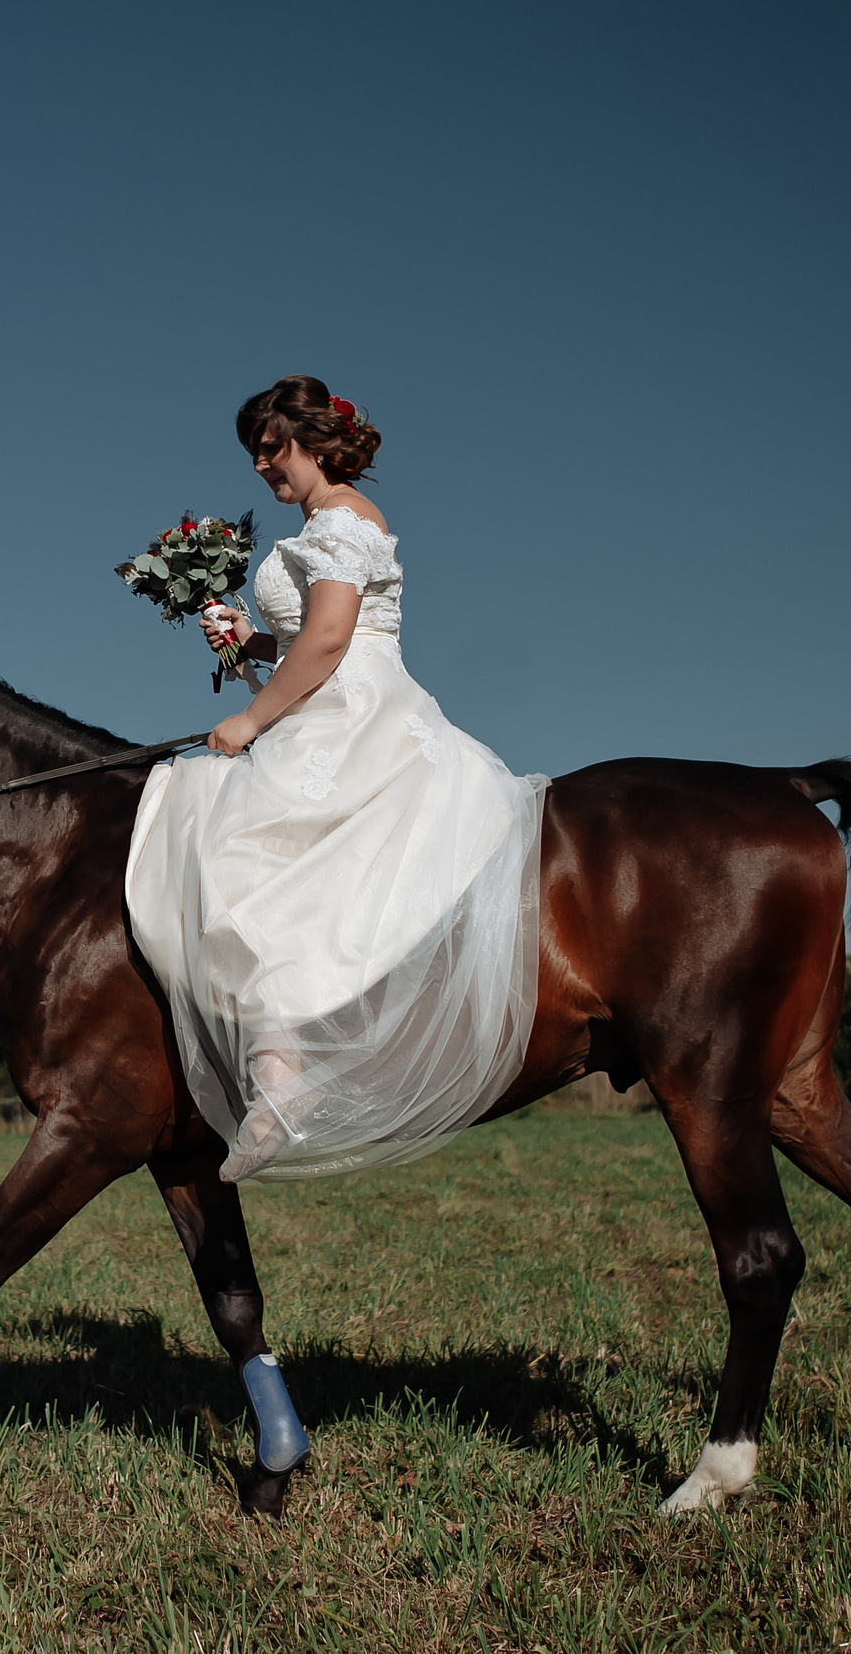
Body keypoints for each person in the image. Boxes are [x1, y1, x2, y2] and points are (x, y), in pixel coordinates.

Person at [124, 377, 549, 1183]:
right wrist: (248, 640)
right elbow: (301, 643)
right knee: (227, 833)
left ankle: (285, 1068)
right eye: (252, 450)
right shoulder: (321, 526)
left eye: (271, 445)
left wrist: (249, 721)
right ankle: (278, 1056)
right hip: (328, 695)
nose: (259, 464)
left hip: (354, 707)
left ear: (314, 441)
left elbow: (327, 640)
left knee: (233, 835)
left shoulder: (345, 519)